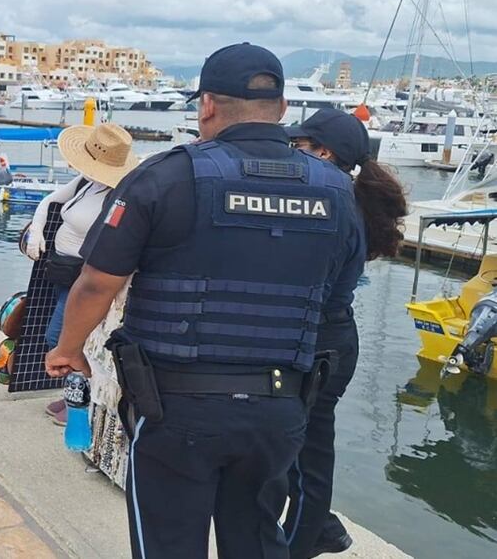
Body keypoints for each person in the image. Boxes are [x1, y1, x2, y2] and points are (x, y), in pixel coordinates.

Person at [45, 43, 364, 559]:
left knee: (168, 543)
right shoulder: (334, 190)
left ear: (207, 106)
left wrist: (69, 348)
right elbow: (337, 298)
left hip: (175, 409)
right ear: (282, 110)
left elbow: (96, 283)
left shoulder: (165, 176)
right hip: (278, 409)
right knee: (257, 540)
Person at [283, 108, 407, 558]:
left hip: (321, 343)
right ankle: (321, 528)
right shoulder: (346, 201)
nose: (292, 153)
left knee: (305, 451)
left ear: (323, 152)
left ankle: (299, 543)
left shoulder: (331, 207)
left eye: (299, 146)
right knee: (302, 448)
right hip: (333, 340)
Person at [25, 123, 139, 425]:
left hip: (85, 277)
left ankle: (81, 399)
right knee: (69, 337)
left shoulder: (118, 198)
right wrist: (36, 231)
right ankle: (74, 394)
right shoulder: (86, 182)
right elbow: (50, 200)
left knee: (65, 337)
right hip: (64, 273)